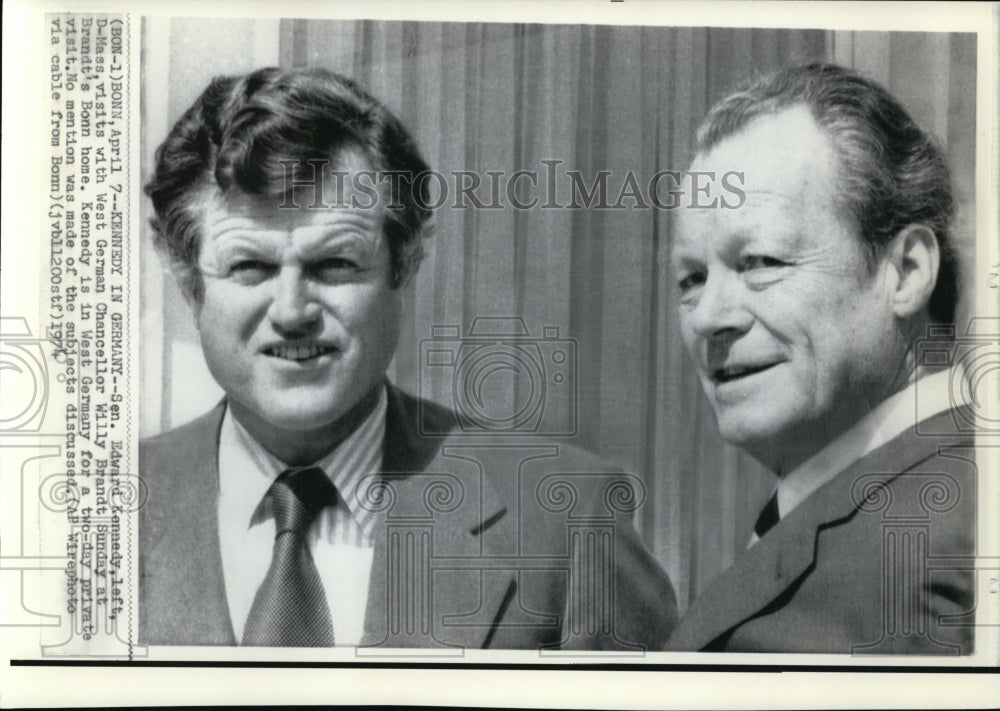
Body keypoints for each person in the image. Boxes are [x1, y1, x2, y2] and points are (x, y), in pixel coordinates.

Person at [139, 66, 676, 649]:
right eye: (250, 267)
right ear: (191, 286)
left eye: (335, 265)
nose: (292, 310)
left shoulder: (570, 525)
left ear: (405, 266)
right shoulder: (88, 513)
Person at [666, 63, 976, 654]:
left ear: (906, 272)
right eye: (691, 277)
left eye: (761, 262)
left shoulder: (932, 560)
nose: (707, 315)